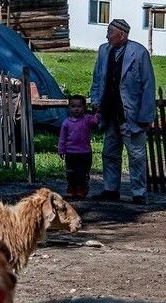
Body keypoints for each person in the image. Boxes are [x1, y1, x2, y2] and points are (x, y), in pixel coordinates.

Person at [90, 18, 156, 204]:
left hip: (131, 113)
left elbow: (148, 85)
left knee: (136, 155)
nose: (107, 35)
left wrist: (146, 115)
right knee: (109, 153)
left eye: (110, 32)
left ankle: (139, 193)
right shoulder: (104, 50)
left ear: (122, 35)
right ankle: (110, 189)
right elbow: (97, 79)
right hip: (109, 111)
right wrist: (96, 101)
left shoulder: (139, 52)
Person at [57, 95, 99, 200]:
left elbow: (95, 121)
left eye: (79, 106)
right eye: (73, 106)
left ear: (84, 107)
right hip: (70, 153)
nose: (76, 109)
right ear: (69, 108)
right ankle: (71, 189)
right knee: (70, 172)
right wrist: (61, 149)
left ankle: (81, 189)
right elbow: (62, 138)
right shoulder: (66, 123)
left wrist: (97, 112)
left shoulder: (87, 119)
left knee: (82, 173)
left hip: (84, 153)